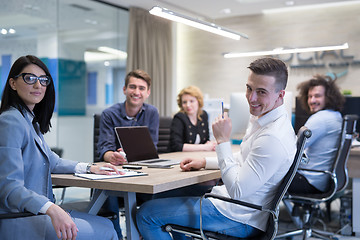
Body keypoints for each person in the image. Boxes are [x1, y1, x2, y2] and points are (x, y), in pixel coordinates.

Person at [136, 57, 297, 239]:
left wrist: (222, 141)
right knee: (160, 197)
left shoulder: (272, 137)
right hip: (235, 206)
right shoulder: (266, 119)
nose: (251, 98)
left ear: (280, 95)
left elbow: (237, 190)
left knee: (147, 214)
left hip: (238, 217)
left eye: (261, 92)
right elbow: (244, 161)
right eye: (249, 88)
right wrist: (205, 161)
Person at [0, 55, 119, 240]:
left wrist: (89, 167)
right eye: (29, 78)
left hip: (36, 213)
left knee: (107, 223)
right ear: (13, 83)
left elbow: (53, 160)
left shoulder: (29, 120)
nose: (38, 85)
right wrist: (51, 208)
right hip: (22, 219)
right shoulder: (10, 121)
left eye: (43, 80)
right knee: (108, 231)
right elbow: (9, 187)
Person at [97, 69, 159, 239]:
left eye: (141, 88)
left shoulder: (152, 113)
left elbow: (151, 147)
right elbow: (104, 148)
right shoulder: (109, 114)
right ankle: (115, 235)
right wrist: (112, 156)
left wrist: (132, 153)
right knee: (107, 191)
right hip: (116, 172)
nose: (136, 92)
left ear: (148, 93)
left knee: (159, 190)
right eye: (132, 87)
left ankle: (143, 234)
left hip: (142, 170)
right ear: (124, 89)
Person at [288, 74, 345, 194]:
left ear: (329, 97)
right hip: (323, 180)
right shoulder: (336, 115)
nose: (312, 101)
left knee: (267, 180)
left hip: (310, 180)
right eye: (310, 96)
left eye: (317, 96)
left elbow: (294, 148)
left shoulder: (320, 118)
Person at [169, 85, 216, 152]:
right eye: (184, 102)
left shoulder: (203, 115)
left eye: (191, 101)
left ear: (198, 101)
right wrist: (204, 147)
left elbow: (206, 140)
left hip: (197, 156)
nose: (188, 105)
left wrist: (211, 144)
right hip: (179, 157)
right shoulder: (179, 118)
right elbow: (176, 146)